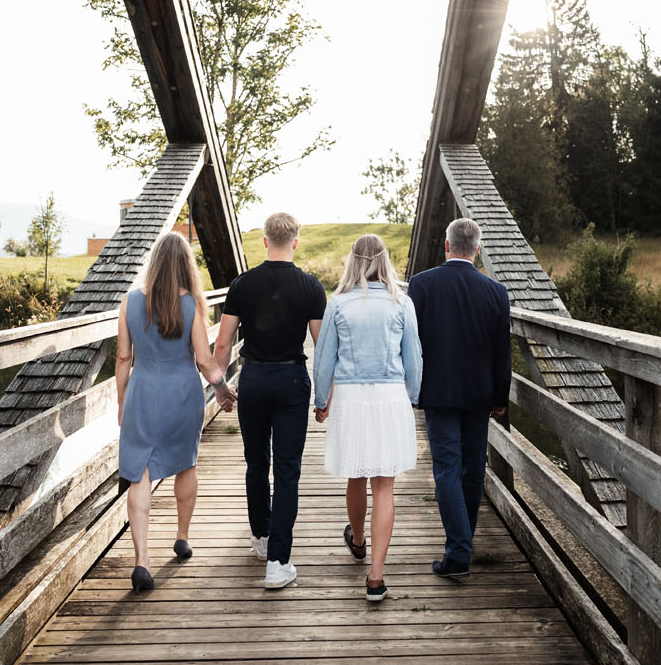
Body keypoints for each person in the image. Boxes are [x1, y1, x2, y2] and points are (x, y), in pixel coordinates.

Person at [115, 231, 235, 592]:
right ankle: (182, 537)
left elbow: (123, 358)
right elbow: (204, 359)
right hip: (182, 395)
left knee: (140, 472)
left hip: (142, 392)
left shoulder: (130, 301)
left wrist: (122, 403)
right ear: (186, 266)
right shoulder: (190, 306)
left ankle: (141, 560)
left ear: (154, 263)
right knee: (186, 463)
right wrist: (222, 387)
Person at [212, 212, 326, 589]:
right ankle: (278, 561)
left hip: (255, 378)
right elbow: (321, 346)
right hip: (292, 379)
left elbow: (224, 343)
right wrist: (325, 394)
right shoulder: (311, 287)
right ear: (296, 241)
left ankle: (260, 538)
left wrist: (219, 385)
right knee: (288, 470)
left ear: (264, 241)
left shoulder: (243, 284)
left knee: (256, 462)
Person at [312, 234, 422, 602]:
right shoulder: (401, 303)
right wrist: (412, 398)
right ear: (383, 261)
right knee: (384, 485)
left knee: (356, 474)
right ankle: (376, 577)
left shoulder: (338, 304)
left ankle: (357, 540)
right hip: (390, 395)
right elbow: (414, 360)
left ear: (353, 262)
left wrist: (322, 400)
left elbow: (324, 357)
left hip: (351, 397)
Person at [407, 217, 510, 580]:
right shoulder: (496, 292)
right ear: (477, 250)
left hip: (437, 392)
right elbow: (502, 353)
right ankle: (463, 542)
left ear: (447, 246)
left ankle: (459, 551)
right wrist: (501, 396)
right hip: (480, 394)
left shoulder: (421, 285)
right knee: (472, 467)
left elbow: (410, 344)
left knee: (447, 468)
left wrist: (410, 388)